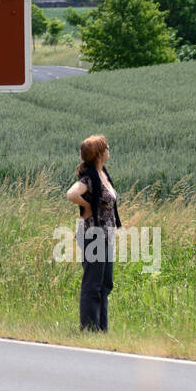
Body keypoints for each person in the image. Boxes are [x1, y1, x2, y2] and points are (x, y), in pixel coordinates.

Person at [65, 134, 123, 331]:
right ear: (99, 154)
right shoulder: (89, 178)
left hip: (106, 234)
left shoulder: (103, 174)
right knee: (93, 284)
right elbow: (71, 194)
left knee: (105, 283)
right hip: (92, 234)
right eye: (106, 148)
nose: (109, 150)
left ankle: (101, 329)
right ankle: (89, 329)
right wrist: (87, 205)